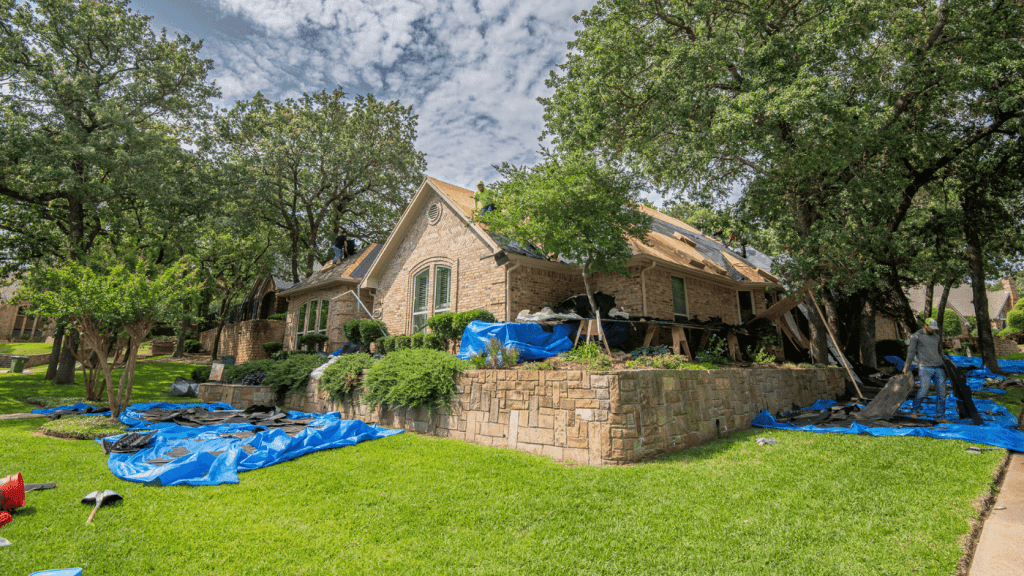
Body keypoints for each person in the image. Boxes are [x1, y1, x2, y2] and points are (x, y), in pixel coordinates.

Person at [903, 318, 949, 423]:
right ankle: (914, 411)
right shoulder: (916, 336)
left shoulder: (936, 337)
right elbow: (911, 353)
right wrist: (906, 367)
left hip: (938, 368)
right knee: (923, 391)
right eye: (931, 328)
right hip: (925, 368)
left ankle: (940, 416)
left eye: (934, 328)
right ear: (925, 325)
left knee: (942, 394)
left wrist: (947, 361)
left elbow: (939, 352)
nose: (933, 330)